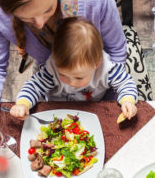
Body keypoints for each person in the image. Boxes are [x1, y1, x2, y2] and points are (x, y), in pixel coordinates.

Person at [0, 0, 128, 125]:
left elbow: (116, 51)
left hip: (96, 76)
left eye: (48, 9)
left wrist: (107, 107)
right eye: (26, 18)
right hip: (50, 79)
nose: (40, 24)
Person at [9, 17, 138, 121]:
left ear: (96, 64)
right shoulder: (52, 68)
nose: (71, 82)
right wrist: (23, 104)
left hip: (91, 111)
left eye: (79, 77)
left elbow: (126, 83)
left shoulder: (107, 69)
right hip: (56, 112)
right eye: (63, 75)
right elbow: (33, 86)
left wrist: (128, 100)